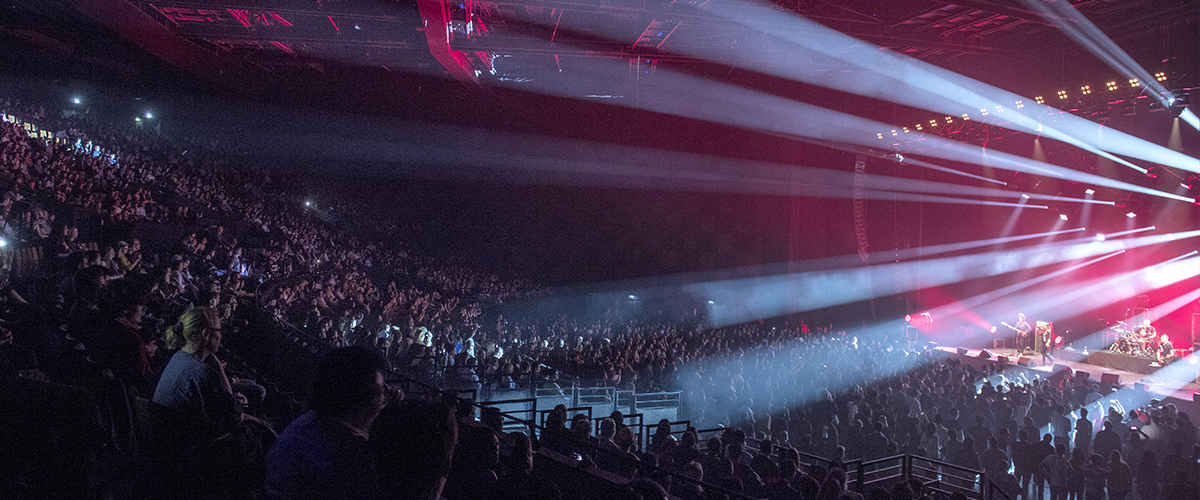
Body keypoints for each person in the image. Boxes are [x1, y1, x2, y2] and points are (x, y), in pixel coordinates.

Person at [264, 346, 390, 500]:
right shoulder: (350, 458)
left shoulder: (309, 423)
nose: (384, 398)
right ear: (363, 399)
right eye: (381, 391)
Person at [152, 307, 239, 434]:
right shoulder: (202, 373)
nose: (221, 335)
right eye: (219, 330)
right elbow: (232, 418)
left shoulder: (178, 357)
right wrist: (219, 367)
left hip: (168, 437)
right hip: (189, 446)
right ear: (205, 334)